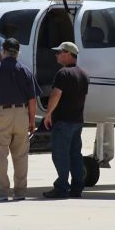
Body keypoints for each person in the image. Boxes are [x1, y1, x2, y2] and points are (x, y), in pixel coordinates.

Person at [0, 38, 38, 201]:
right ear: (18, 52)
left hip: (0, 114)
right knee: (21, 155)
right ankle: (20, 192)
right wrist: (32, 121)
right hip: (22, 114)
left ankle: (1, 192)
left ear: (3, 51)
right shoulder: (25, 70)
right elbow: (32, 100)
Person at [42, 41, 89, 198]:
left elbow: (56, 95)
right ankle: (77, 187)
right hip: (77, 121)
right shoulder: (83, 74)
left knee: (60, 155)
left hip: (63, 122)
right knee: (75, 154)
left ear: (68, 54)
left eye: (59, 52)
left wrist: (48, 114)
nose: (56, 55)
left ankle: (61, 187)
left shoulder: (63, 74)